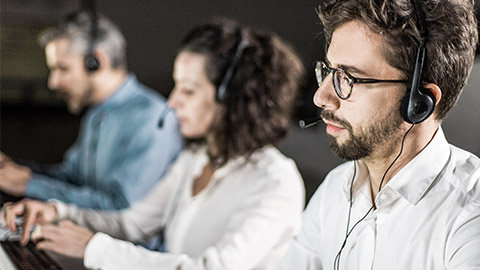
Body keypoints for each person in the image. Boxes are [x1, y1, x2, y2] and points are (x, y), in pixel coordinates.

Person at [2, 20, 306, 269]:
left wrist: (95, 249)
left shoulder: (275, 181)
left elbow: (212, 268)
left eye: (187, 91)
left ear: (233, 100)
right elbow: (133, 223)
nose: (172, 103)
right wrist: (57, 212)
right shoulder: (196, 158)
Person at [276, 0, 480, 269]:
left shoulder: (470, 216)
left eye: (348, 78)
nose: (321, 97)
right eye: (328, 71)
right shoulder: (335, 189)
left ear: (419, 103)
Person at [0, 11, 183, 210]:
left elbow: (121, 208)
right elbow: (73, 179)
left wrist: (30, 184)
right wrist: (17, 169)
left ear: (96, 62)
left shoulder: (152, 118)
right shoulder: (97, 113)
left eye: (62, 69)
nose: (53, 83)